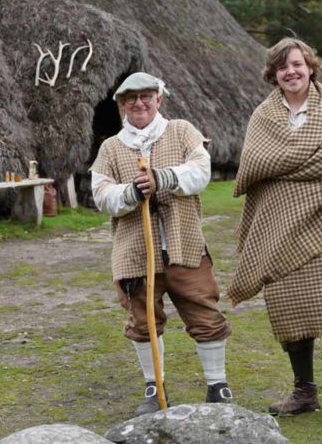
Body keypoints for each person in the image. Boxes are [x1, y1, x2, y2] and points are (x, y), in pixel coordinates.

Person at [227, 38, 322, 430]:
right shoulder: (263, 115)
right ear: (273, 74)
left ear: (311, 67)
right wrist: (295, 165)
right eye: (281, 67)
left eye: (297, 64)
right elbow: (254, 162)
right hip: (280, 228)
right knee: (291, 308)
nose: (290, 72)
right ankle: (304, 390)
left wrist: (280, 170)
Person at [90, 72, 233, 416]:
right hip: (135, 252)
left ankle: (217, 385)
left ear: (159, 99)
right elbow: (100, 195)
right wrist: (130, 193)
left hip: (184, 245)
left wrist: (162, 179)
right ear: (122, 105)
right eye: (130, 98)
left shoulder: (182, 131)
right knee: (143, 320)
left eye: (146, 96)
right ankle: (154, 387)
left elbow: (200, 172)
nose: (138, 103)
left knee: (205, 313)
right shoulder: (111, 147)